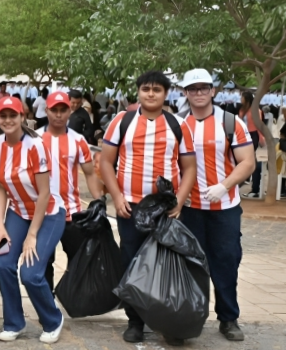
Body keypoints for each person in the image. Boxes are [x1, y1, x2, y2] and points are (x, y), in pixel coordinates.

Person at [99, 70, 197, 345]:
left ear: (166, 94)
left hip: (165, 210)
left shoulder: (179, 124)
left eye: (156, 89)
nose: (151, 94)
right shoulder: (122, 121)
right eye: (146, 89)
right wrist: (116, 197)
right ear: (138, 92)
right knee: (132, 263)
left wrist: (179, 200)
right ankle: (135, 322)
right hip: (129, 207)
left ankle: (167, 320)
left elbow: (189, 167)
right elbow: (106, 163)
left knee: (166, 264)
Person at [178, 69, 255, 342]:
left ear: (213, 91)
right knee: (190, 265)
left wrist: (224, 185)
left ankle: (228, 318)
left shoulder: (231, 123)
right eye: (192, 88)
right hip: (189, 209)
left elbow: (248, 162)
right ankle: (189, 319)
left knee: (226, 262)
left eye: (203, 88)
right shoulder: (178, 124)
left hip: (225, 208)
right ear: (185, 93)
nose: (198, 93)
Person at [0, 96, 65, 343]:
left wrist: (31, 235)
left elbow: (44, 193)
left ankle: (53, 319)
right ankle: (14, 322)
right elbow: (0, 186)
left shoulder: (35, 145)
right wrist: (0, 224)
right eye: (3, 116)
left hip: (49, 213)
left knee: (31, 273)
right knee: (2, 265)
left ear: (23, 117)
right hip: (18, 213)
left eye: (13, 115)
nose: (8, 120)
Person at [40, 90, 103, 292]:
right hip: (44, 213)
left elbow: (90, 174)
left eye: (63, 110)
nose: (58, 114)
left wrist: (99, 201)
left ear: (70, 111)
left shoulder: (78, 141)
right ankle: (47, 301)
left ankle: (70, 294)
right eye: (54, 110)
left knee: (78, 258)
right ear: (47, 111)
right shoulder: (36, 139)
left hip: (72, 212)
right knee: (44, 261)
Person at [239, 90, 264, 199]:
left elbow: (259, 125)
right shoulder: (242, 109)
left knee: (251, 161)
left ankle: (254, 187)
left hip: (252, 136)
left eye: (242, 97)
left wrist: (261, 138)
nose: (240, 99)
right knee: (245, 161)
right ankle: (248, 182)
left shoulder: (256, 111)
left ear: (247, 98)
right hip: (242, 136)